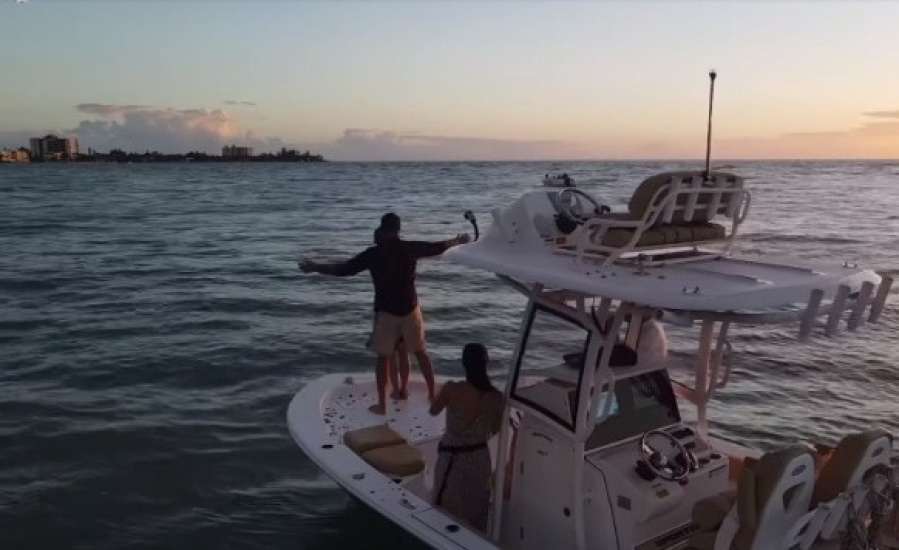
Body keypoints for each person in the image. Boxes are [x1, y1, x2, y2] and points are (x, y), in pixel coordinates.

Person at [299, 212, 469, 414]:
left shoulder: (374, 254)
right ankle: (432, 394)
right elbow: (436, 247)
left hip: (387, 313)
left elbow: (345, 269)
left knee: (383, 358)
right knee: (420, 352)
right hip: (410, 310)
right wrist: (458, 240)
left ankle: (382, 405)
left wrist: (315, 267)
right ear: (398, 230)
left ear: (382, 229)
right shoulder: (409, 248)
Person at [429, 343, 503, 533]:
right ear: (486, 364)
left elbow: (433, 410)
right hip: (479, 458)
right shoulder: (497, 398)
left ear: (464, 364)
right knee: (478, 511)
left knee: (445, 509)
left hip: (452, 459)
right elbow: (495, 429)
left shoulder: (452, 389)